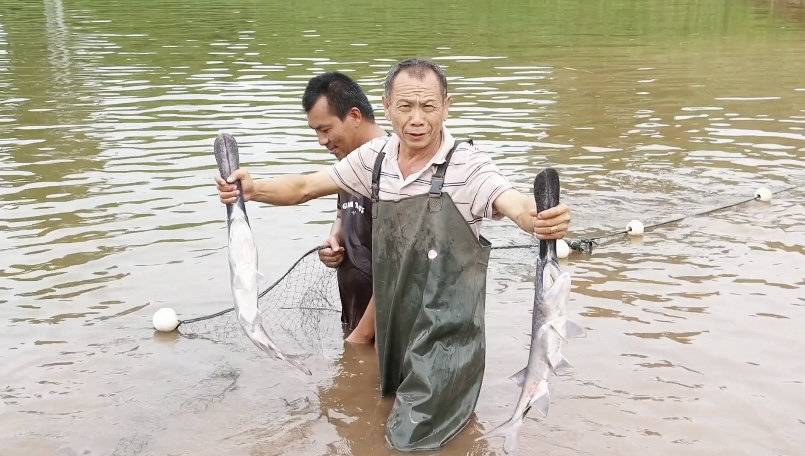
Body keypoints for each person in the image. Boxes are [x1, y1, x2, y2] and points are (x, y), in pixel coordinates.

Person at [215, 58, 571, 451]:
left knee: (407, 441)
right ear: (386, 106)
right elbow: (304, 186)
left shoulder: (469, 166)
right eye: (405, 107)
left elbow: (512, 202)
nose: (417, 119)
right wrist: (251, 188)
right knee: (401, 419)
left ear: (446, 106)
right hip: (395, 333)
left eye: (428, 107)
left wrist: (537, 218)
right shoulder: (377, 159)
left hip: (446, 339)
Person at [301, 72, 385, 338]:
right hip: (354, 320)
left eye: (325, 130)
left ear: (355, 116)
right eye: (316, 132)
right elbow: (344, 211)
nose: (322, 141)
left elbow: (401, 272)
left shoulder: (393, 167)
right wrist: (335, 238)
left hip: (381, 331)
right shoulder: (348, 163)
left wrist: (361, 337)